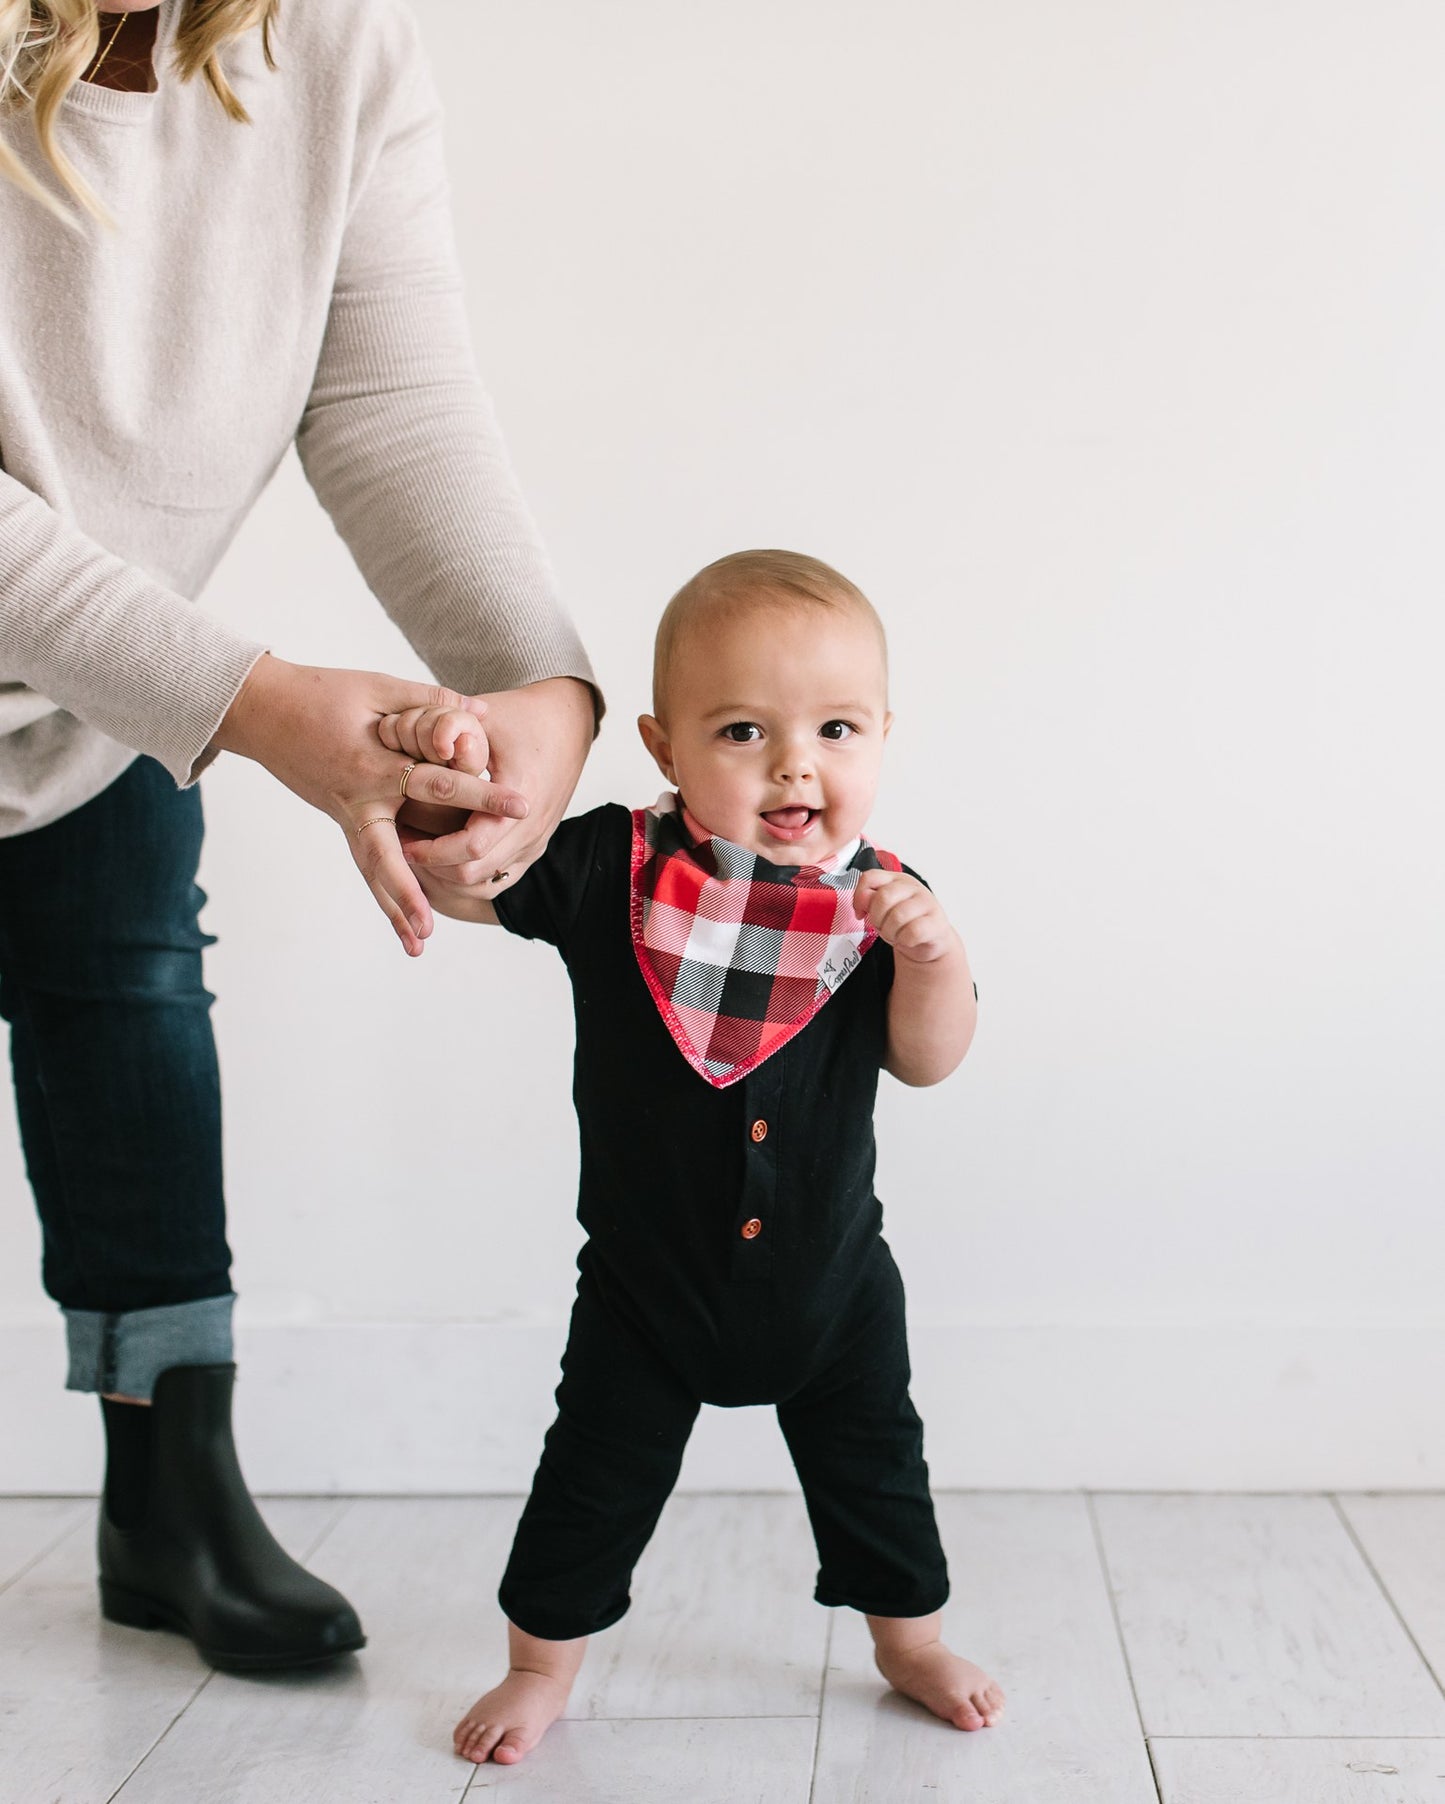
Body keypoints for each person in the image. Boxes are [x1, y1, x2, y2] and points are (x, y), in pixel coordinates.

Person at [0, 0, 596, 1670]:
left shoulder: (334, 50)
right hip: (145, 673)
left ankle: (171, 1488)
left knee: (135, 1032)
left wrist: (534, 689)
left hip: (87, 699)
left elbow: (392, 394)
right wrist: (257, 705)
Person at [379, 549, 1005, 1765]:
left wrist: (930, 960)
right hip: (644, 1291)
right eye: (741, 729)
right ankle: (538, 1662)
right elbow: (470, 880)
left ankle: (909, 1637)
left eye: (834, 727)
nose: (794, 763)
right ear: (664, 748)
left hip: (831, 1287)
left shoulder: (882, 901)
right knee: (593, 1476)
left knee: (877, 1468)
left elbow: (926, 1062)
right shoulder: (609, 868)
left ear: (882, 734)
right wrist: (438, 801)